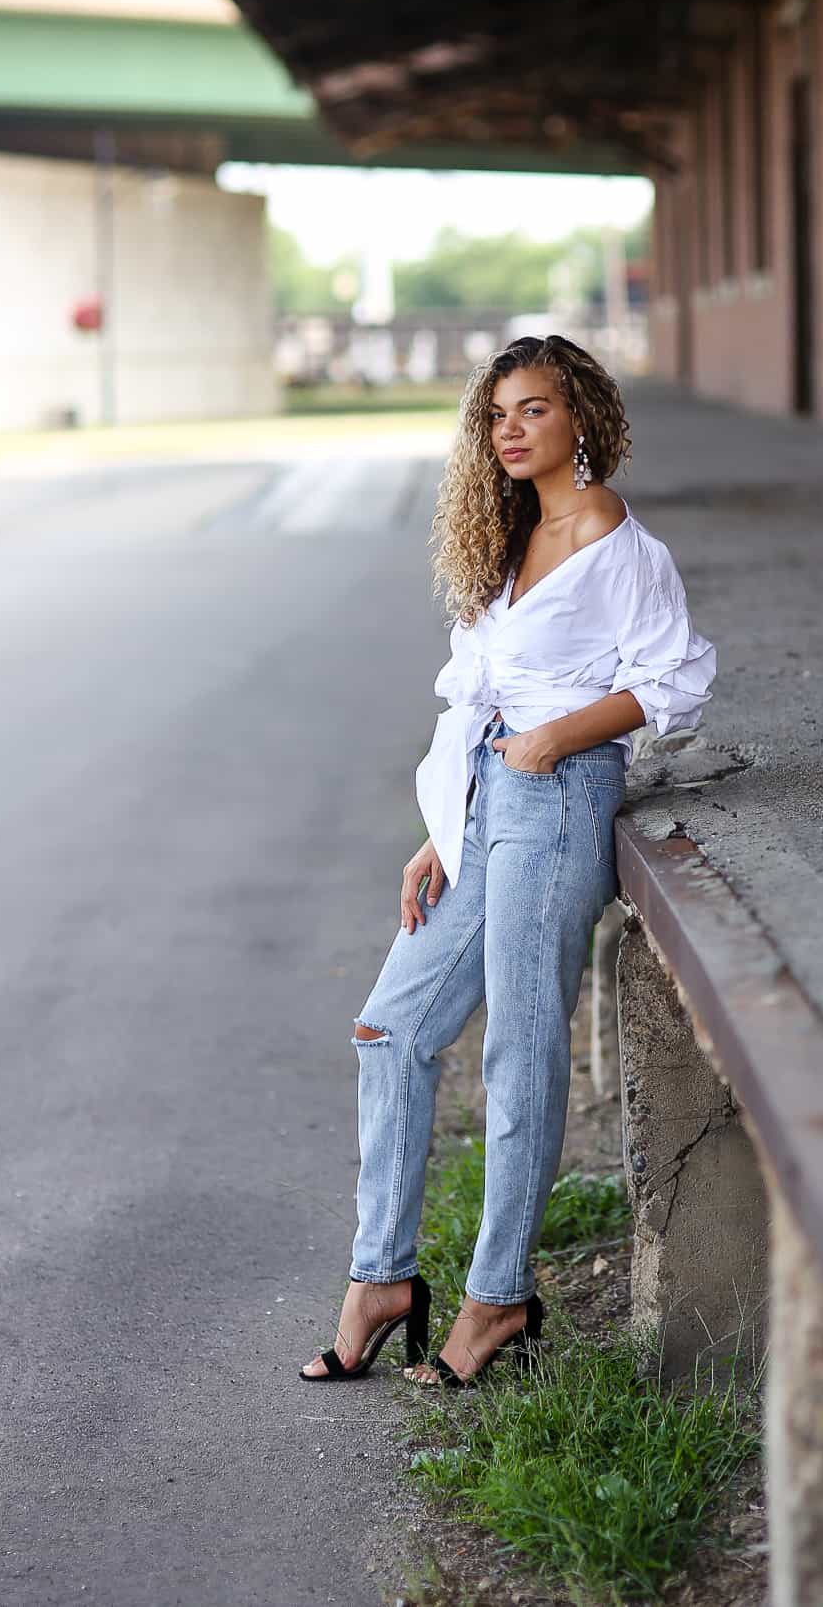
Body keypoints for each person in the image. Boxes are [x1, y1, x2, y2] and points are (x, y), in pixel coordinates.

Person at [299, 334, 716, 1388]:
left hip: (560, 797)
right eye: (496, 415)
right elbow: (475, 700)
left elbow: (672, 682)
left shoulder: (615, 540)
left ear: (582, 415)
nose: (510, 431)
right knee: (390, 1030)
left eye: (533, 409)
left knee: (517, 1053)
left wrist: (553, 741)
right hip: (488, 801)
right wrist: (445, 826)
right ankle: (381, 1280)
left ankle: (496, 1299)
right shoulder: (512, 533)